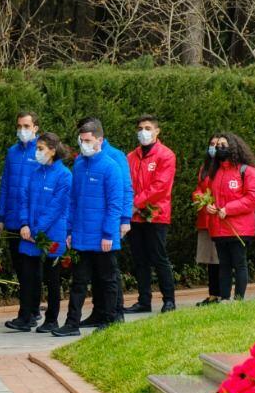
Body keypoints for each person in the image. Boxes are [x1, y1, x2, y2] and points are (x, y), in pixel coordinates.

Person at [51, 120, 126, 337]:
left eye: (88, 141)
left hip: (103, 237)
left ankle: (110, 318)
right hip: (82, 235)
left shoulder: (111, 167)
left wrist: (109, 233)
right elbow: (73, 202)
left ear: (99, 140)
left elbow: (115, 204)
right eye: (81, 140)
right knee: (79, 281)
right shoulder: (80, 165)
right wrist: (69, 231)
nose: (84, 144)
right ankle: (71, 323)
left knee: (108, 279)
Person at [17, 133, 72, 332]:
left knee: (52, 277)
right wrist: (24, 224)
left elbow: (56, 208)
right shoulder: (35, 172)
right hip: (29, 232)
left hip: (52, 233)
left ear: (52, 151)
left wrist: (36, 229)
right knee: (28, 275)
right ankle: (26, 316)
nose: (36, 152)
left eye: (40, 149)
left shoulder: (64, 175)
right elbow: (23, 199)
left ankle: (51, 320)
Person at [200, 133, 255, 302]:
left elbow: (252, 198)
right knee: (224, 265)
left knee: (239, 263)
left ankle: (239, 299)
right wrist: (208, 206)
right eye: (217, 146)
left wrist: (229, 209)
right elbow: (208, 195)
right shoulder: (215, 172)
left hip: (239, 227)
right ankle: (225, 298)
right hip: (219, 227)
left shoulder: (247, 171)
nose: (219, 149)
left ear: (233, 147)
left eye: (223, 145)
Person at [125, 115, 176, 313]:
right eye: (140, 128)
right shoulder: (131, 156)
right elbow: (126, 183)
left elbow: (160, 186)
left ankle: (169, 299)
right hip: (136, 216)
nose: (143, 132)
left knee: (158, 257)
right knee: (140, 259)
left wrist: (136, 203)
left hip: (156, 215)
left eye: (147, 128)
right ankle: (144, 300)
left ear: (157, 131)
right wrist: (131, 205)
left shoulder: (166, 155)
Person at [0, 111, 41, 330]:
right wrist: (1, 216)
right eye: (19, 125)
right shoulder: (12, 152)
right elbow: (5, 184)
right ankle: (30, 310)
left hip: (31, 222)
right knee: (20, 267)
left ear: (35, 127)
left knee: (30, 268)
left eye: (26, 125)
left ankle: (28, 313)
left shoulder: (41, 152)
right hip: (13, 218)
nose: (22, 130)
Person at [193, 138, 222, 306]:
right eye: (212, 144)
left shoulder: (227, 167)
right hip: (206, 217)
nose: (214, 148)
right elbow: (198, 188)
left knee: (221, 258)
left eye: (218, 145)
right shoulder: (205, 167)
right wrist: (200, 198)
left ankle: (221, 294)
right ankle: (213, 294)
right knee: (210, 259)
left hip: (220, 217)